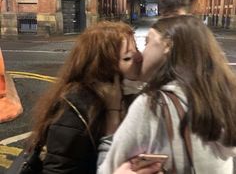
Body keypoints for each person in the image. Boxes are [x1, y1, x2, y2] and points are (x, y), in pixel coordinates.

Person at [98, 15, 236, 174]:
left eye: (147, 42)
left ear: (167, 46)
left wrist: (112, 117)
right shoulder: (217, 98)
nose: (140, 54)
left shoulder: (153, 104)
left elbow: (106, 170)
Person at [26, 21, 160, 174]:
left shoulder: (127, 94)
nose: (140, 58)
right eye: (128, 58)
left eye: (136, 48)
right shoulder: (75, 108)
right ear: (103, 68)